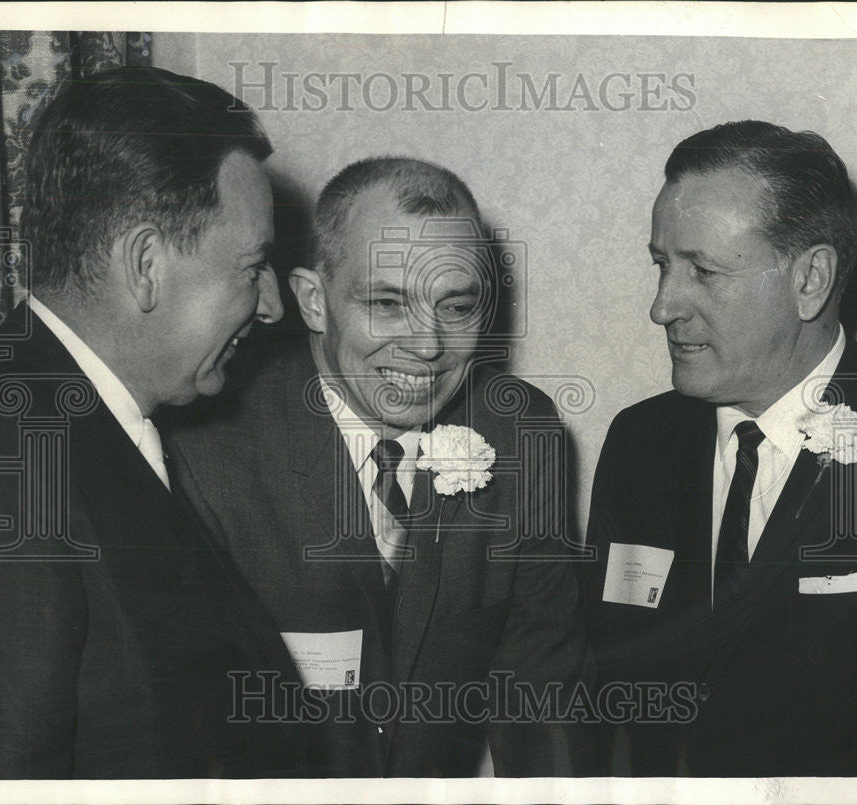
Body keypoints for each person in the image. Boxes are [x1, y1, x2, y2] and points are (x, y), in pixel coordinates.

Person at [163, 157, 589, 777]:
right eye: (387, 304)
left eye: (456, 306)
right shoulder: (209, 444)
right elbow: (182, 726)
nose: (427, 346)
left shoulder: (522, 430)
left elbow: (544, 693)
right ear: (313, 300)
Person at [0, 67, 307, 778]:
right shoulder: (3, 453)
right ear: (147, 263)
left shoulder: (74, 417)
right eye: (252, 267)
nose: (273, 305)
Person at [584, 120, 857, 777]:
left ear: (810, 280)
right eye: (662, 264)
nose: (662, 306)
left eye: (703, 271)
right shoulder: (639, 441)